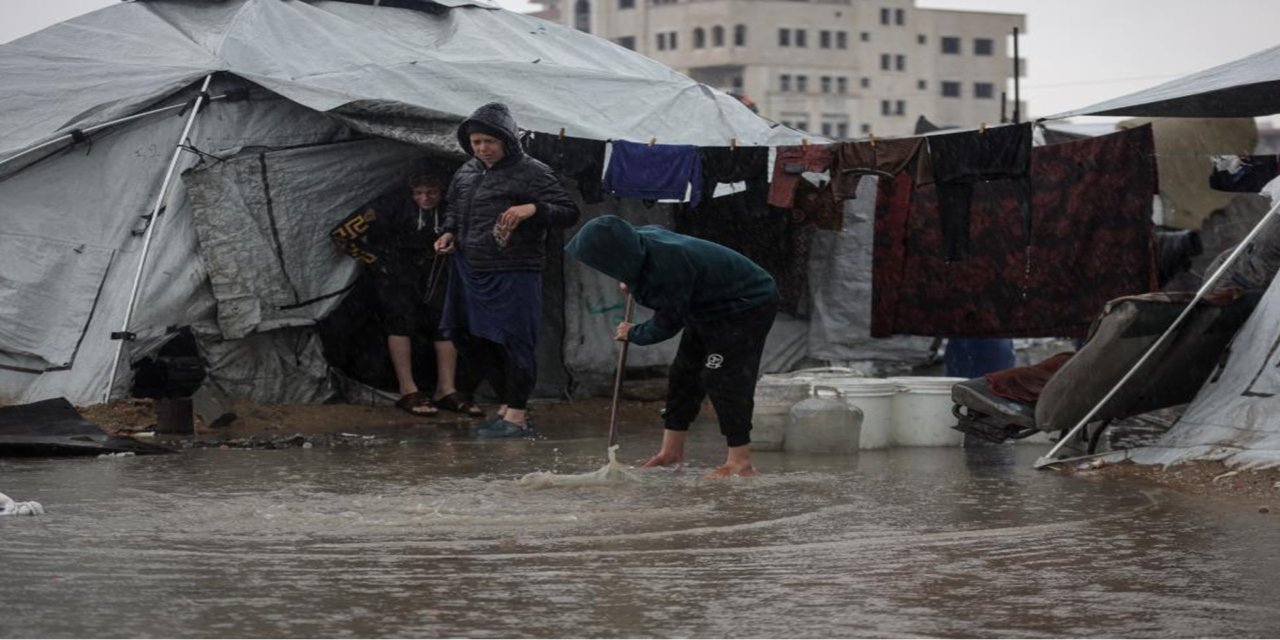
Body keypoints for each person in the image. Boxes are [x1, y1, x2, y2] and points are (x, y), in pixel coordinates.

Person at [564, 215, 779, 478]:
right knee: (683, 374)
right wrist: (631, 279)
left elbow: (667, 323)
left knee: (722, 378)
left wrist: (635, 333)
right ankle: (671, 452)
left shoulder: (669, 266)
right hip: (706, 305)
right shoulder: (640, 243)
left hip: (745, 304)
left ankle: (740, 460)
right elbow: (655, 237)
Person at [433, 102, 581, 437]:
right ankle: (506, 403)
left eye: (489, 141)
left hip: (513, 268)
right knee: (467, 335)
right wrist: (448, 232)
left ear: (507, 140)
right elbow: (455, 208)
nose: (482, 149)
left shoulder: (533, 171)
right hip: (470, 267)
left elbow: (568, 211)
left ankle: (516, 414)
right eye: (476, 142)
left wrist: (534, 208)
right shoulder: (467, 171)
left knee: (515, 341)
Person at [354, 173, 484, 417]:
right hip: (397, 275)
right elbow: (342, 235)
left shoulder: (451, 209)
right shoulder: (389, 206)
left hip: (436, 272)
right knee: (400, 323)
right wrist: (377, 261)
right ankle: (408, 390)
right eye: (419, 193)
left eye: (431, 192)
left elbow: (471, 234)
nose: (425, 198)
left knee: (443, 325)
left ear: (442, 191)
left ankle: (446, 389)